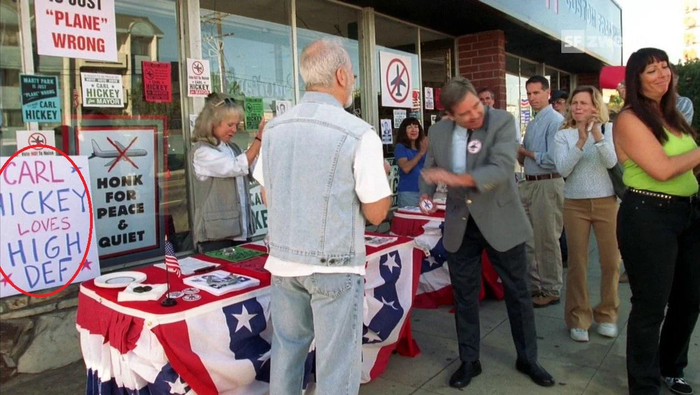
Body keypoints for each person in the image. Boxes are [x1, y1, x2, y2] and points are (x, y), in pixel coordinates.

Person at [253, 38, 392, 395]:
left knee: (286, 352)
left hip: (284, 261)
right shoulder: (359, 133)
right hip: (334, 263)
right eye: (354, 77)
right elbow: (377, 213)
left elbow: (268, 195)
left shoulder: (274, 130)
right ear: (342, 75)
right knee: (337, 366)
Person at [419, 76, 555, 390]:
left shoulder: (502, 122)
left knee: (518, 293)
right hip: (460, 223)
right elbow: (431, 164)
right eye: (465, 113)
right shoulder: (438, 131)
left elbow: (501, 167)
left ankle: (528, 358)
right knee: (464, 296)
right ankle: (469, 361)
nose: (476, 115)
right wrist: (427, 191)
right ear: (450, 116)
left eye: (477, 106)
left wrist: (453, 180)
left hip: (501, 220)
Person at [614, 47, 700, 395]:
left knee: (690, 298)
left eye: (665, 67)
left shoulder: (672, 115)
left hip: (688, 214)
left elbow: (688, 166)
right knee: (651, 305)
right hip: (648, 216)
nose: (662, 74)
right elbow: (662, 170)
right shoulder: (629, 119)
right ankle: (644, 384)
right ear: (636, 80)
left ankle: (670, 366)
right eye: (652, 70)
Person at [553, 86, 621, 343]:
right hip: (575, 204)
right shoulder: (564, 135)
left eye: (584, 103)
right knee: (578, 264)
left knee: (611, 262)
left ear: (596, 106)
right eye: (575, 103)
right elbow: (562, 169)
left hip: (606, 202)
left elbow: (612, 162)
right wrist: (580, 141)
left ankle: (607, 314)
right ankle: (579, 317)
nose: (578, 107)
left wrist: (596, 135)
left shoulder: (609, 129)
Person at [191, 93, 265, 253]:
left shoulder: (233, 149)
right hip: (216, 237)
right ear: (212, 123)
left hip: (241, 232)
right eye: (230, 124)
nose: (234, 130)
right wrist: (258, 140)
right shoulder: (202, 151)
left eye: (237, 125)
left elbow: (255, 171)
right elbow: (235, 167)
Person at [517, 75, 566, 308]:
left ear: (548, 93)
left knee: (547, 238)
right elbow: (525, 153)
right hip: (529, 182)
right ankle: (535, 286)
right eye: (528, 94)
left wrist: (525, 154)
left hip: (547, 182)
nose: (532, 98)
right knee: (528, 238)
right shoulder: (534, 122)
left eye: (536, 93)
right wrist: (517, 151)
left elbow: (554, 160)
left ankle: (552, 288)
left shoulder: (555, 120)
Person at [394, 117, 428, 207]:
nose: (413, 130)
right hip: (409, 193)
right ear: (404, 131)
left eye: (416, 127)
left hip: (425, 192)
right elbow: (406, 168)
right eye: (409, 127)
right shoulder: (400, 147)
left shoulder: (423, 147)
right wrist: (421, 153)